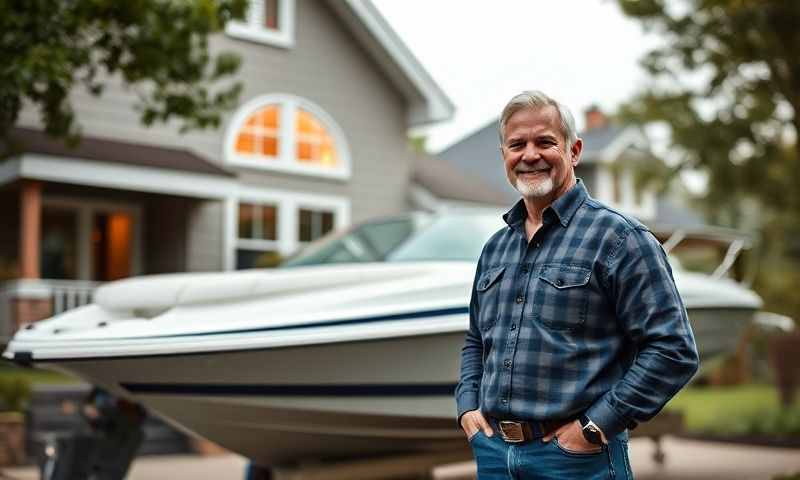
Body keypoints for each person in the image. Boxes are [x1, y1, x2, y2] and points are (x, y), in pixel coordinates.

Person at [455, 90, 699, 479]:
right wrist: (467, 405)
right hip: (495, 456)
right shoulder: (495, 248)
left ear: (574, 150)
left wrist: (595, 427)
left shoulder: (621, 238)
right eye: (517, 144)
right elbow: (476, 339)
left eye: (545, 142)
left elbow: (673, 349)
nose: (530, 154)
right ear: (504, 154)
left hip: (576, 461)